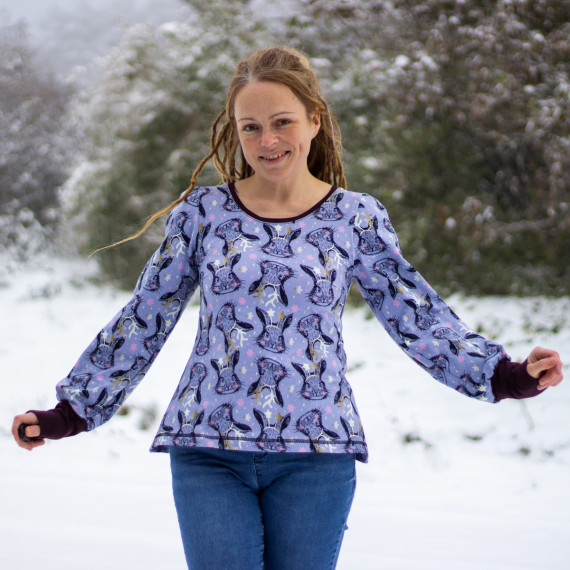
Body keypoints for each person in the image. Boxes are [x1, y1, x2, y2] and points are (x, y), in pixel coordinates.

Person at [12, 46, 564, 570]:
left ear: (314, 120)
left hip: (317, 452)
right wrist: (72, 410)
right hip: (208, 448)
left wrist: (503, 375)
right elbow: (145, 316)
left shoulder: (356, 218)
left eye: (282, 122)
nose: (267, 140)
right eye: (250, 127)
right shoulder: (203, 214)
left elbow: (414, 314)